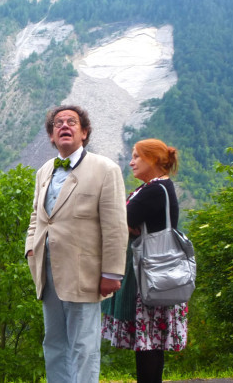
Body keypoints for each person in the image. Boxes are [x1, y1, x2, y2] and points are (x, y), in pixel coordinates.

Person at [25, 105, 128, 383]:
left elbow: (116, 225)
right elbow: (38, 215)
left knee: (83, 344)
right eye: (58, 123)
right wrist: (30, 248)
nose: (64, 126)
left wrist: (112, 273)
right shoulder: (45, 170)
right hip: (47, 270)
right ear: (51, 136)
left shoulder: (105, 169)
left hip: (85, 272)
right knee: (54, 342)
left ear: (84, 132)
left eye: (72, 122)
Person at [101, 139, 187, 383]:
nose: (131, 162)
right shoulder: (157, 187)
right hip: (157, 272)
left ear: (153, 159)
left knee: (148, 341)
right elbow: (125, 219)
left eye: (137, 156)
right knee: (150, 340)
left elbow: (117, 219)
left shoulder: (154, 190)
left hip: (150, 274)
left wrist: (125, 223)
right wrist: (127, 223)